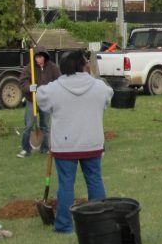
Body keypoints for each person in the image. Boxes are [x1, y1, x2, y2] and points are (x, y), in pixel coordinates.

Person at [35, 50, 114, 234]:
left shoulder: (54, 88)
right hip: (92, 143)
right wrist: (92, 77)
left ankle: (64, 225)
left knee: (66, 185)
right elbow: (108, 95)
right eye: (86, 62)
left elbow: (40, 97)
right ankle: (98, 221)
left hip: (65, 145)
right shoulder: (98, 86)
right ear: (83, 65)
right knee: (95, 181)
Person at [17, 49, 60, 158]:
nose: (38, 59)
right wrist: (29, 87)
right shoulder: (29, 67)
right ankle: (25, 149)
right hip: (32, 100)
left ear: (44, 57)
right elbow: (22, 82)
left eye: (40, 57)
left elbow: (59, 81)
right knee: (28, 125)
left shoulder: (52, 67)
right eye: (36, 57)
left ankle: (45, 148)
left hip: (45, 100)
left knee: (45, 126)